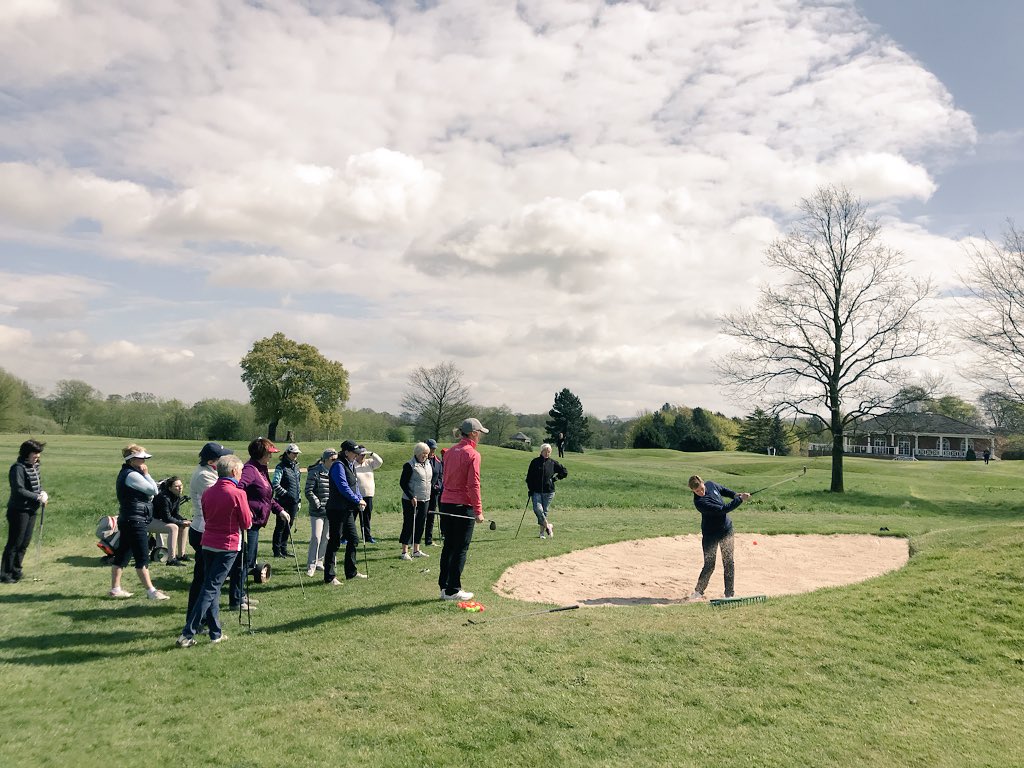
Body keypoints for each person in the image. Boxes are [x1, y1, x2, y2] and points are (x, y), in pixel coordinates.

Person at [176, 454, 253, 647]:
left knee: (212, 588)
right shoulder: (238, 494)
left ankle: (215, 632)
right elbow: (246, 523)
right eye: (241, 471)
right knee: (210, 588)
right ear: (234, 471)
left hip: (207, 542)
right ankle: (187, 633)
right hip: (227, 546)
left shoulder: (209, 492)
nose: (241, 474)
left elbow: (207, 515)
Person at [109, 444, 169, 600]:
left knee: (123, 554)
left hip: (129, 518)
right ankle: (151, 591)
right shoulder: (132, 475)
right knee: (142, 557)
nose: (144, 462)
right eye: (142, 459)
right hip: (135, 520)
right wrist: (147, 475)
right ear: (132, 460)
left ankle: (115, 589)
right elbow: (153, 491)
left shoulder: (129, 473)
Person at [437, 417, 488, 601]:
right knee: (460, 548)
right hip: (462, 506)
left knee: (449, 546)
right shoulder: (472, 454)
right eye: (480, 433)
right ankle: (453, 590)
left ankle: (444, 587)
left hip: (445, 503)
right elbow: (474, 484)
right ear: (473, 433)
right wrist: (478, 511)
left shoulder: (450, 452)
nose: (480, 436)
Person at [187, 441, 235, 625]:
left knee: (208, 579)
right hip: (202, 530)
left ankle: (204, 618)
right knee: (203, 580)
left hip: (207, 530)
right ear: (210, 461)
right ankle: (196, 620)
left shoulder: (211, 473)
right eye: (221, 459)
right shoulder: (204, 476)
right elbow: (222, 496)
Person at [236, 437, 287, 610]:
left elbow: (266, 497)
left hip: (257, 523)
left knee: (250, 561)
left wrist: (279, 510)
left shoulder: (261, 469)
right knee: (246, 560)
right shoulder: (250, 469)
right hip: (248, 523)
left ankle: (241, 595)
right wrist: (245, 509)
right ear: (261, 453)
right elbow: (238, 490)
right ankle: (237, 599)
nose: (271, 457)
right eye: (268, 454)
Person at [687, 474, 750, 601]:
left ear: (703, 483)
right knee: (709, 565)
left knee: (728, 562)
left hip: (726, 530)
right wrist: (740, 500)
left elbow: (723, 490)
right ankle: (699, 592)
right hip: (710, 535)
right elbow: (723, 509)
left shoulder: (711, 485)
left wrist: (735, 495)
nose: (701, 492)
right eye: (697, 491)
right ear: (693, 491)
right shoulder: (700, 502)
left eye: (701, 488)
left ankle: (729, 594)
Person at [2, 439, 48, 584]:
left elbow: (36, 485)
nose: (37, 457)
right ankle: (5, 573)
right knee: (15, 542)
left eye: (38, 454)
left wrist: (42, 493)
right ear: (26, 453)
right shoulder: (18, 468)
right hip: (18, 510)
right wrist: (37, 497)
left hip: (31, 510)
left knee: (24, 543)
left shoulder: (34, 466)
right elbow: (19, 489)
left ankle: (16, 570)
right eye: (35, 454)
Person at [324, 440, 367, 585]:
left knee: (354, 539)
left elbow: (354, 485)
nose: (356, 455)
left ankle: (351, 572)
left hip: (347, 509)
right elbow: (343, 487)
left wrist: (360, 498)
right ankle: (329, 577)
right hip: (336, 509)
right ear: (346, 452)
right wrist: (356, 500)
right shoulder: (338, 465)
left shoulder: (350, 465)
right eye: (354, 453)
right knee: (335, 542)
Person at [303, 448, 336, 577]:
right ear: (326, 459)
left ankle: (319, 562)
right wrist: (318, 504)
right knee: (316, 537)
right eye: (333, 459)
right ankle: (310, 565)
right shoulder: (315, 472)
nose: (335, 461)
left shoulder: (335, 472)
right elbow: (308, 491)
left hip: (330, 510)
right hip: (317, 511)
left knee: (326, 537)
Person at [525, 443, 568, 539]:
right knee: (537, 509)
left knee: (544, 512)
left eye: (549, 452)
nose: (547, 453)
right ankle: (548, 526)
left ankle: (542, 533)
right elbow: (529, 477)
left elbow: (564, 472)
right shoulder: (535, 462)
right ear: (541, 451)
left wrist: (555, 479)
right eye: (546, 451)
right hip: (536, 491)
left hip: (549, 492)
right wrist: (530, 489)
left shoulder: (552, 463)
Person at [398, 442, 432, 561]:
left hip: (425, 499)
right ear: (417, 453)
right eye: (423, 454)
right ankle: (404, 551)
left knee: (420, 524)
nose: (425, 456)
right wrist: (412, 496)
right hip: (410, 500)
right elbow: (403, 483)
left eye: (427, 454)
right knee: (409, 524)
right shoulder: (409, 465)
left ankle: (416, 549)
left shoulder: (428, 464)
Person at [271, 443, 303, 558]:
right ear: (288, 453)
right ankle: (276, 550)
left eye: (297, 454)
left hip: (294, 501)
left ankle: (284, 549)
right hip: (283, 501)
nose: (296, 455)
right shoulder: (281, 467)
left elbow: (298, 484)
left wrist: (298, 499)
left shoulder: (296, 466)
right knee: (281, 525)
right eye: (294, 453)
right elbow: (275, 483)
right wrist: (286, 494)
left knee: (289, 524)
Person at [150, 476, 191, 566]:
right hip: (149, 521)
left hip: (159, 520)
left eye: (181, 485)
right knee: (174, 527)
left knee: (183, 526)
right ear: (169, 488)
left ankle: (181, 555)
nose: (180, 488)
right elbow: (167, 518)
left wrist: (184, 521)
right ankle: (171, 559)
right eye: (177, 486)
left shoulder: (176, 496)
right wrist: (180, 522)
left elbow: (175, 514)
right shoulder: (163, 497)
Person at [354, 445, 383, 543]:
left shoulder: (369, 463)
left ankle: (367, 536)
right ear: (356, 455)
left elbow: (380, 462)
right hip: (356, 495)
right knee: (352, 517)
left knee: (366, 517)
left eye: (364, 455)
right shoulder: (352, 464)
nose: (362, 457)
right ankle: (346, 536)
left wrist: (371, 454)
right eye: (361, 455)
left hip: (368, 495)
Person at [424, 439, 443, 546]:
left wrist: (438, 486)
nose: (433, 451)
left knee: (431, 517)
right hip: (423, 492)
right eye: (431, 448)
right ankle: (413, 540)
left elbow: (441, 476)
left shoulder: (438, 461)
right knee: (421, 517)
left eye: (434, 449)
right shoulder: (422, 460)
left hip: (434, 492)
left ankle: (428, 540)